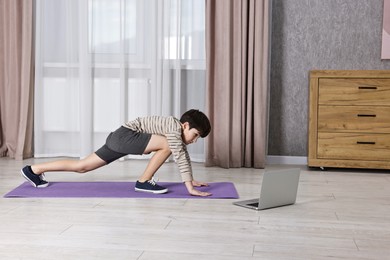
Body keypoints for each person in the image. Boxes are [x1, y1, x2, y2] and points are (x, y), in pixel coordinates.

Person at [20, 109, 212, 197]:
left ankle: (33, 170)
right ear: (185, 125)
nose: (194, 140)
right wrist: (189, 188)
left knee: (82, 167)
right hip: (124, 137)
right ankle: (144, 182)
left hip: (119, 138)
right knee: (169, 145)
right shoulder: (173, 125)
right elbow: (178, 152)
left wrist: (191, 179)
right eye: (195, 135)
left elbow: (182, 153)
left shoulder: (176, 133)